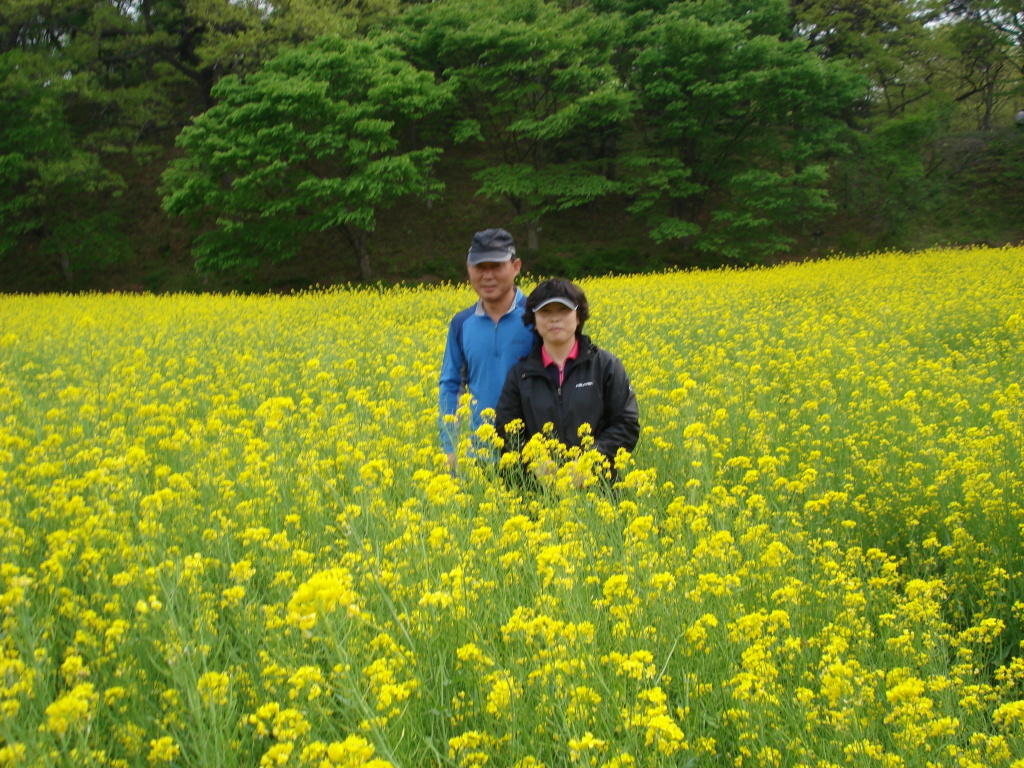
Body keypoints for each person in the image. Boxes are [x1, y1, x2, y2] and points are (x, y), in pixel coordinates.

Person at [495, 278, 639, 481]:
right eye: (545, 312)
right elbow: (505, 430)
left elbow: (626, 424)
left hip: (598, 487)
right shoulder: (520, 375)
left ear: (579, 317)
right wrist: (534, 460)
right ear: (534, 321)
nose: (555, 319)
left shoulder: (605, 366)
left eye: (563, 310)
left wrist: (590, 462)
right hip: (540, 491)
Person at [439, 228, 537, 468]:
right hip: (480, 457)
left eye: (496, 266)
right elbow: (452, 385)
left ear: (516, 267)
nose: (487, 275)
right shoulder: (462, 323)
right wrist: (450, 447)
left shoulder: (539, 317)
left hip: (534, 460)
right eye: (480, 268)